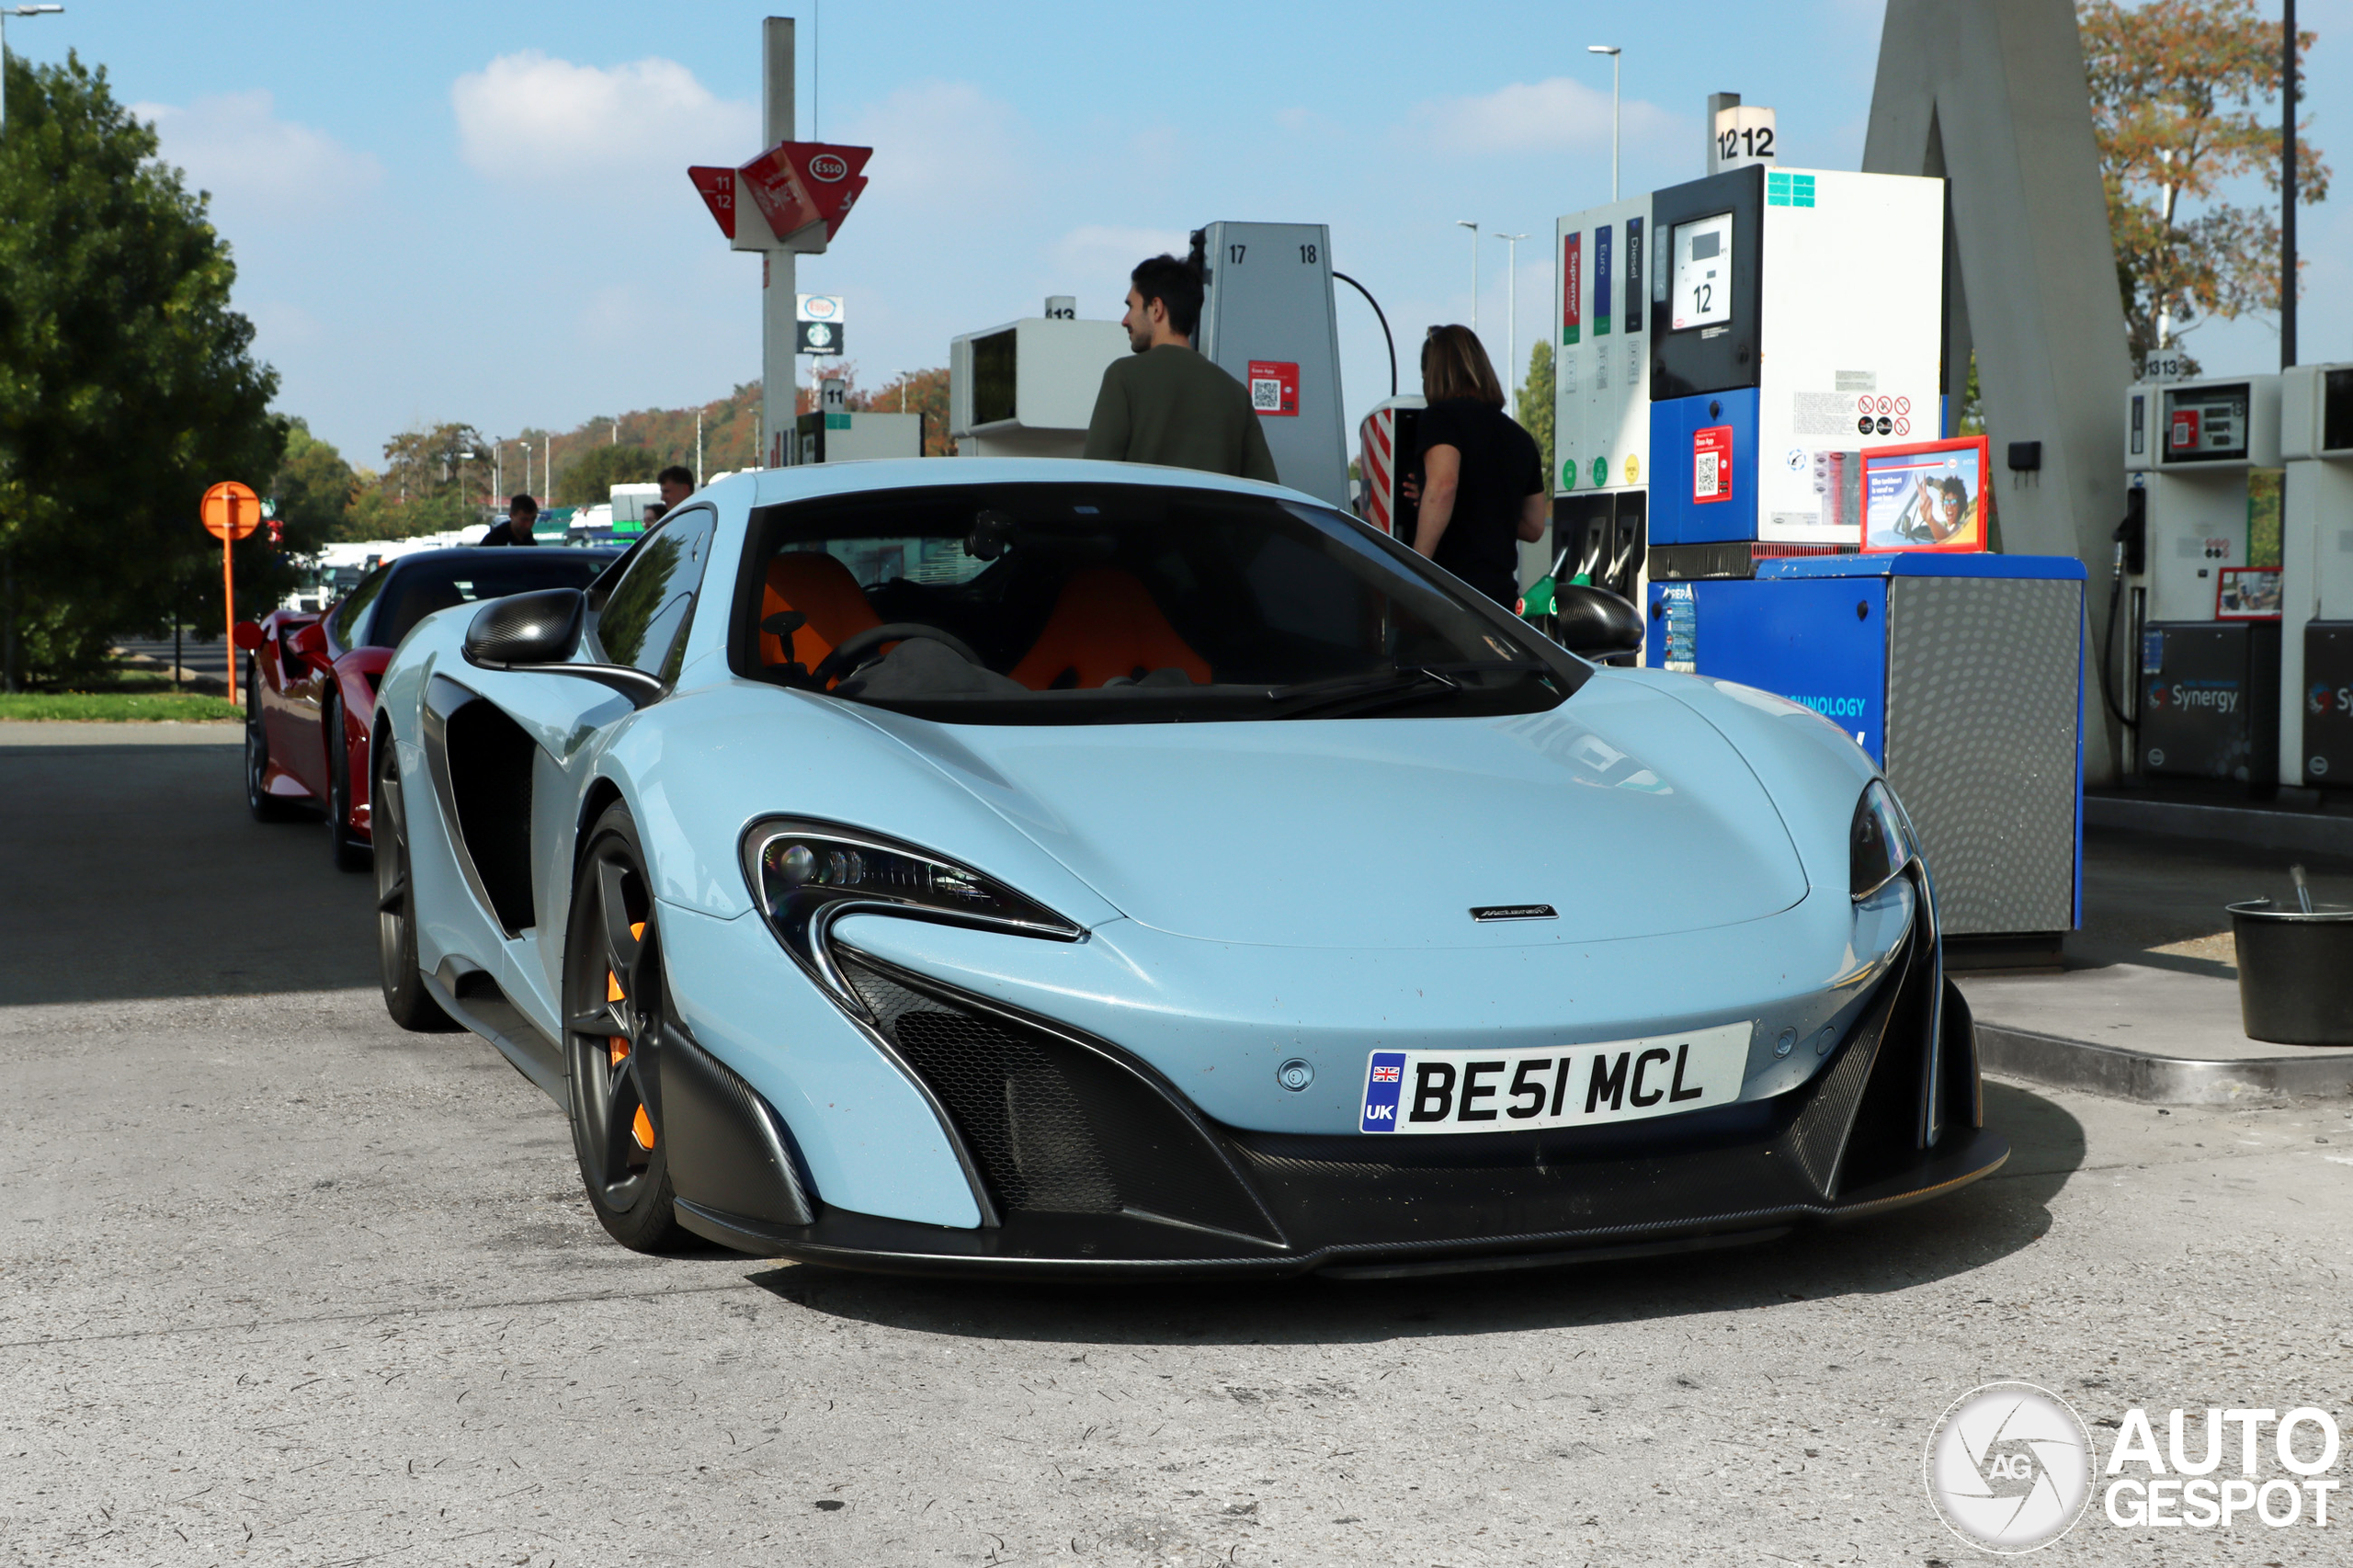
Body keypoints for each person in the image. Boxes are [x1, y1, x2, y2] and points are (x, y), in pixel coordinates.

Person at [1083, 254, 1279, 483]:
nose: (1125, 320)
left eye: (1131, 307)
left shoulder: (1124, 376)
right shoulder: (1236, 394)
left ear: (1156, 308)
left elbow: (1095, 478)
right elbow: (1266, 490)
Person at [1404, 324, 1546, 608]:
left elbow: (1444, 485)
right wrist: (1462, 504)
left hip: (1450, 596)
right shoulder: (1520, 437)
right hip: (1500, 601)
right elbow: (1533, 527)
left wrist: (1413, 570)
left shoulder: (1439, 418)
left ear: (1434, 374)